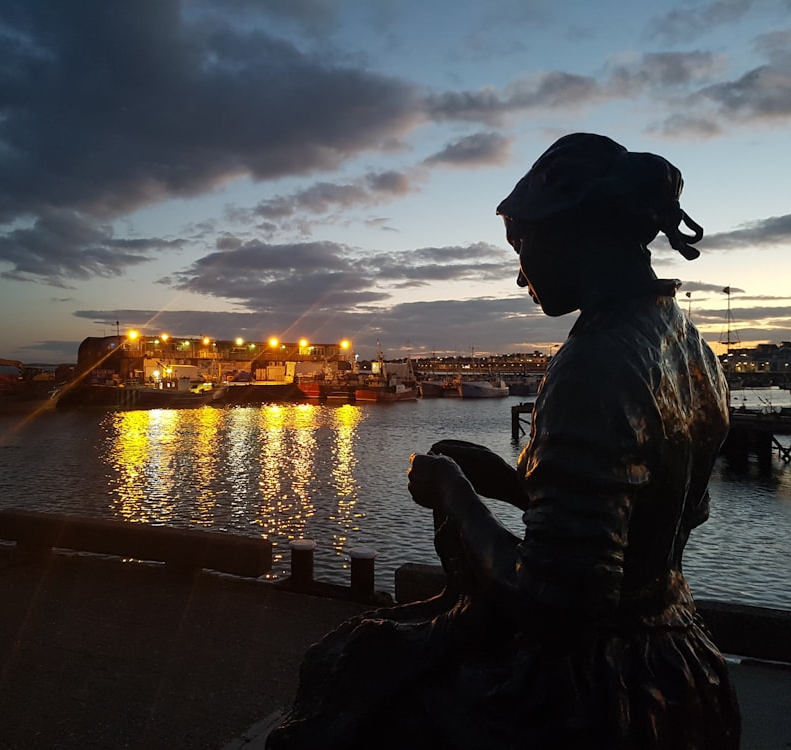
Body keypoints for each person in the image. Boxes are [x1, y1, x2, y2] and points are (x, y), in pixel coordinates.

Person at [267, 133, 740, 749]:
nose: (521, 277)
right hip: (684, 665)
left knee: (351, 674)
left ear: (572, 232)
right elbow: (653, 518)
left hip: (596, 694)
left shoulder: (594, 364)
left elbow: (559, 603)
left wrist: (456, 496)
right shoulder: (690, 345)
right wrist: (514, 486)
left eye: (522, 245)